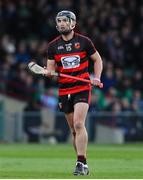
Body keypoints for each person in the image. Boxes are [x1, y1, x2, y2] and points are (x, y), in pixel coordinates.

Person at [46, 10, 103, 175]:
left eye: (65, 20)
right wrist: (49, 72)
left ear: (73, 23)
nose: (62, 23)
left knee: (79, 124)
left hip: (82, 87)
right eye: (59, 21)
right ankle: (83, 164)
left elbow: (97, 60)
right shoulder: (53, 46)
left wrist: (97, 77)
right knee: (73, 130)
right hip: (64, 90)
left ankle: (80, 162)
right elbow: (50, 70)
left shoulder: (84, 42)